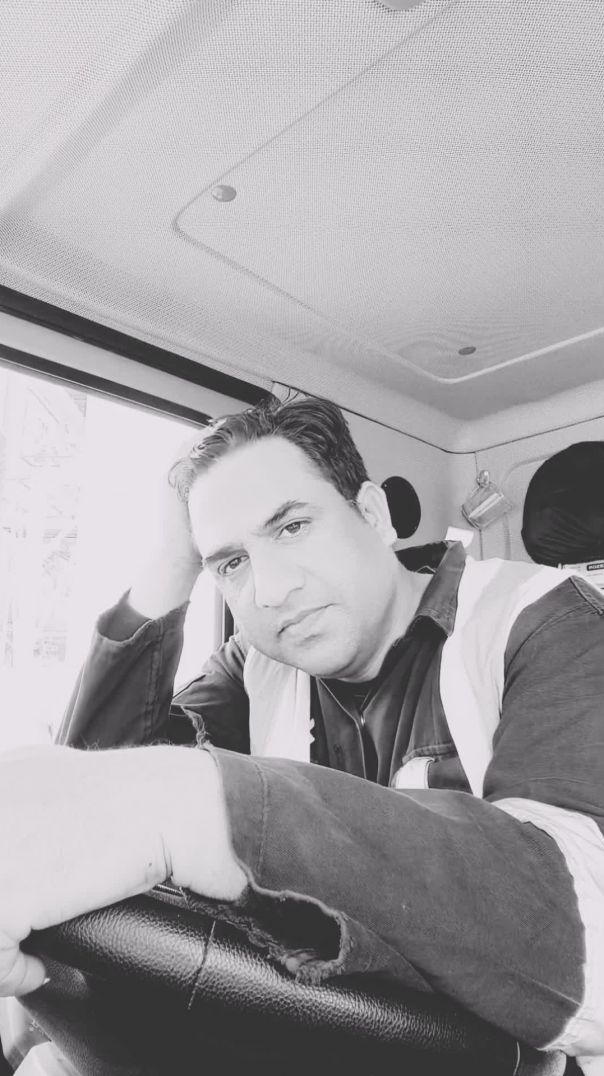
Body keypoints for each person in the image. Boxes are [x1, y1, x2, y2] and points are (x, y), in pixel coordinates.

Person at [38, 397, 604, 1071]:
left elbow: (583, 938)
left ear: (373, 514)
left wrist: (197, 807)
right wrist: (171, 563)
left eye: (293, 527)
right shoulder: (255, 664)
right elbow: (87, 802)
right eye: (231, 563)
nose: (269, 591)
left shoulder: (548, 622)